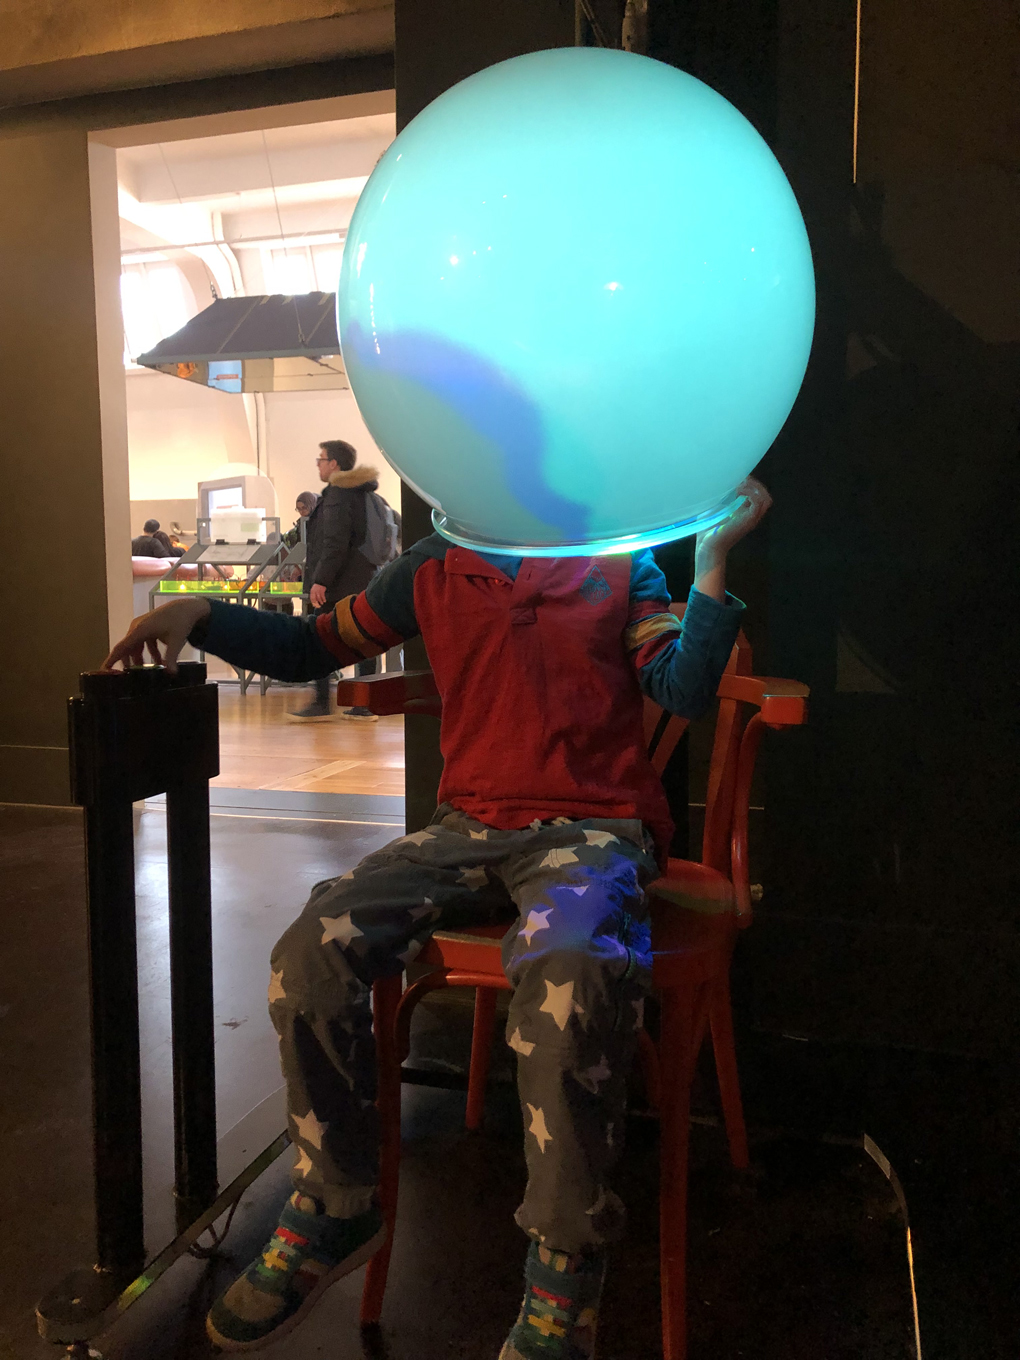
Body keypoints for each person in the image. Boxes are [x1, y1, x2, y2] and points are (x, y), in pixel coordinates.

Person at [104, 477, 770, 1359]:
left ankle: (564, 1278)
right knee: (311, 952)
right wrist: (201, 613)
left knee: (569, 977)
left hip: (591, 829)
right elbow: (313, 644)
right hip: (468, 828)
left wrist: (713, 562)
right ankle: (337, 1205)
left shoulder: (620, 567)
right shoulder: (432, 565)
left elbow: (680, 688)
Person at [292, 441, 382, 722]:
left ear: (334, 464)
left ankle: (321, 703)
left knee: (320, 637)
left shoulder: (338, 495)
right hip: (362, 579)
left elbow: (334, 543)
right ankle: (365, 703)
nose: (318, 464)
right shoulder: (362, 493)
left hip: (338, 584)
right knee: (364, 637)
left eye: (321, 459)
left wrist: (320, 581)